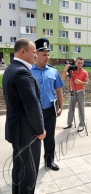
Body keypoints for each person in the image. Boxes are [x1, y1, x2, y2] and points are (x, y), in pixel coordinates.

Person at [3, 38, 46, 194]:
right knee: (29, 168)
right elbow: (31, 104)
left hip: (17, 129)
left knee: (19, 166)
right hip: (27, 131)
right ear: (23, 51)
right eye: (34, 52)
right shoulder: (22, 72)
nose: (36, 56)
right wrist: (40, 130)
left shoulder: (11, 69)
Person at [31, 38, 64, 171]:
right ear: (36, 55)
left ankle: (49, 161)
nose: (47, 57)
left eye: (48, 54)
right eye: (44, 54)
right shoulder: (29, 72)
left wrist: (61, 106)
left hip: (50, 110)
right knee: (34, 139)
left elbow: (59, 89)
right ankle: (33, 164)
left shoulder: (53, 71)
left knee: (49, 137)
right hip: (34, 112)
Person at [62, 57, 89, 132]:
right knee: (70, 108)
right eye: (78, 63)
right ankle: (69, 123)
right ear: (75, 63)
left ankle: (81, 124)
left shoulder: (84, 72)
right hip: (72, 92)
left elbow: (86, 84)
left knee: (81, 109)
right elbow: (63, 78)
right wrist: (65, 70)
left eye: (81, 63)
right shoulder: (71, 70)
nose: (80, 64)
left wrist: (80, 82)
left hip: (80, 92)